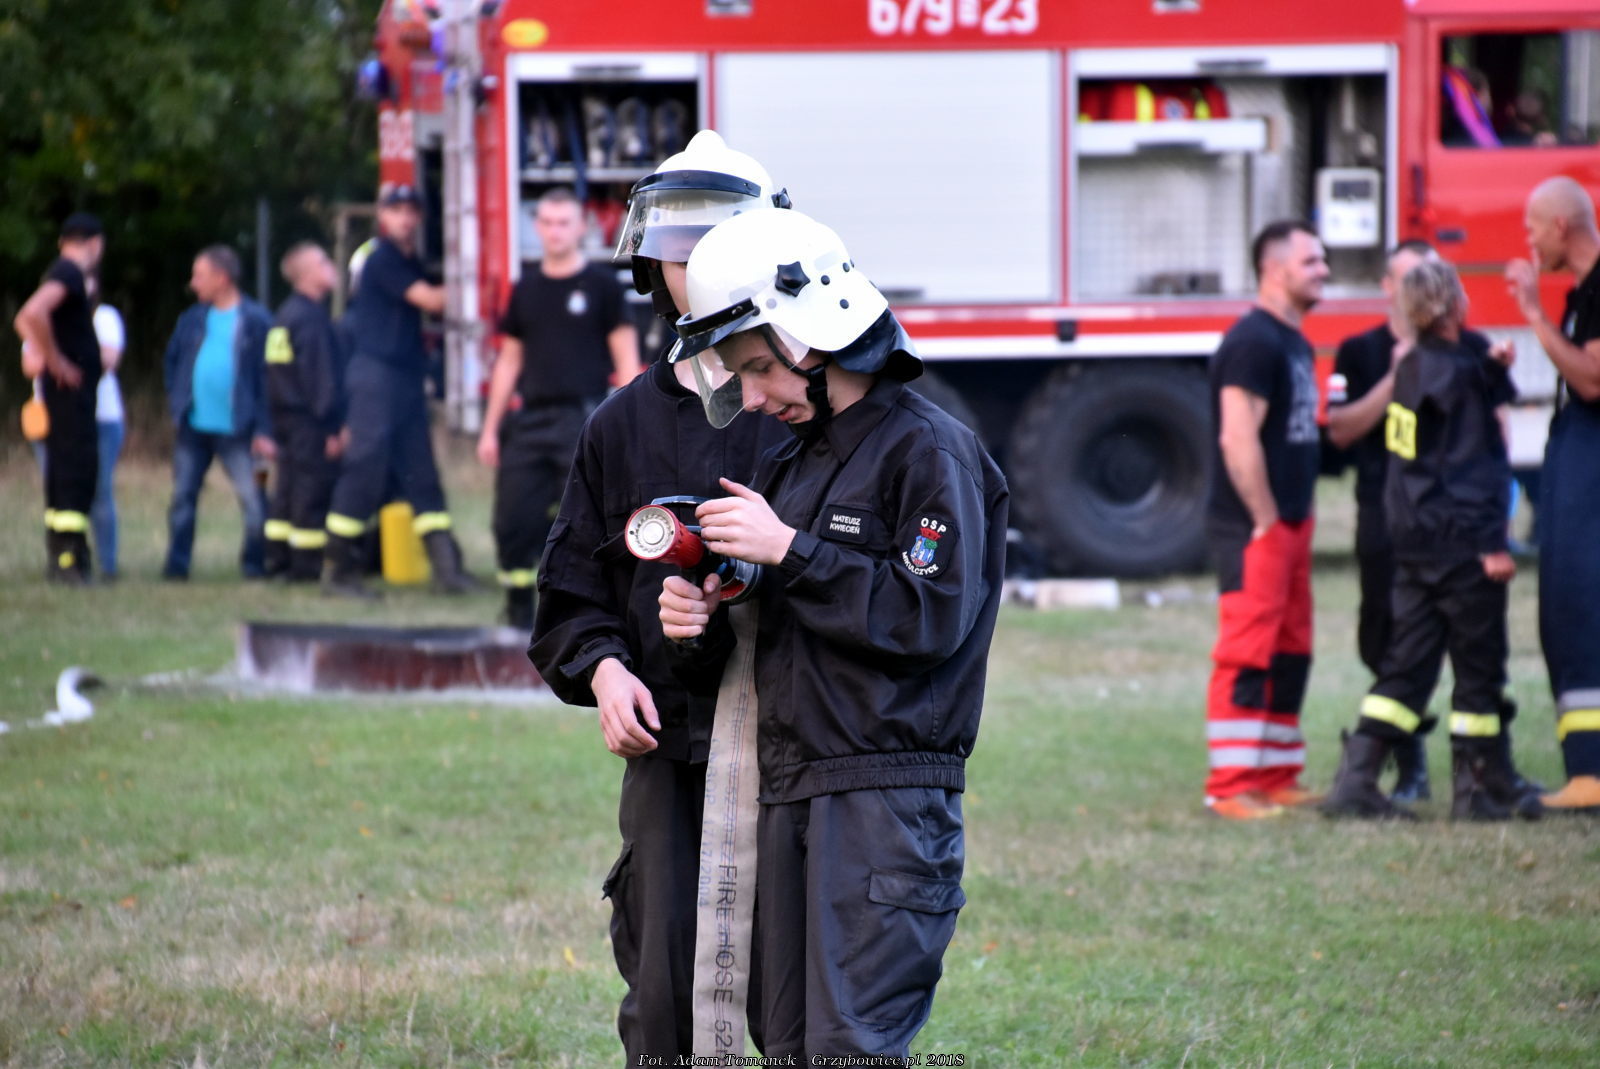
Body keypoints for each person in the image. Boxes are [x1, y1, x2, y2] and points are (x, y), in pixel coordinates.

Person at [658, 209, 1008, 1062]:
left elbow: (927, 617)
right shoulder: (790, 463)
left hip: (883, 799)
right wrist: (700, 623)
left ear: (815, 336)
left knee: (849, 1045)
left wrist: (790, 549)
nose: (752, 397)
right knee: (784, 1042)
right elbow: (767, 633)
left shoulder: (929, 452)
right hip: (789, 785)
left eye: (758, 368)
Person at [529, 130, 791, 1064]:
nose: (694, 266)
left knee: (798, 999)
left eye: (715, 244)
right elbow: (570, 592)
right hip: (668, 753)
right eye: (678, 249)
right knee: (665, 991)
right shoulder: (621, 424)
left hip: (793, 755)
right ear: (652, 268)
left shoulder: (810, 414)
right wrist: (604, 671)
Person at [1323, 260, 1539, 821]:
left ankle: (1357, 779)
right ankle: (1478, 788)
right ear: (1455, 306)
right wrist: (1492, 543)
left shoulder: (1409, 368)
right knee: (1479, 667)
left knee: (1406, 666)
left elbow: (1426, 442)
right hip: (1462, 547)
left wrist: (1491, 368)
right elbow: (1477, 468)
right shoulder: (1462, 376)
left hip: (1414, 545)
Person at [1202, 220, 1327, 820]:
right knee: (1248, 651)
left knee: (1290, 650)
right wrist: (1265, 517)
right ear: (1274, 270)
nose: (1324, 271)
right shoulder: (1253, 340)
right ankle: (1230, 786)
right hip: (1256, 527)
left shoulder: (1293, 340)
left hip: (1291, 525)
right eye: (1312, 261)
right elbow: (1237, 436)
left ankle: (1276, 774)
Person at [478, 187, 641, 631]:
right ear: (536, 228)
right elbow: (509, 361)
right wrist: (490, 429)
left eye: (564, 222)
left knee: (584, 521)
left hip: (582, 421)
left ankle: (582, 611)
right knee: (513, 518)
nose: (555, 231)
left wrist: (632, 427)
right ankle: (516, 611)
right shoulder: (526, 289)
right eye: (547, 223)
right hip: (530, 421)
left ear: (581, 227)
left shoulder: (603, 287)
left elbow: (627, 362)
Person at [323, 183, 474, 597]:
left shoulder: (410, 260)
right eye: (397, 210)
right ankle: (337, 573)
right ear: (382, 215)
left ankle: (447, 571)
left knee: (421, 472)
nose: (405, 218)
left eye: (411, 211)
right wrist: (476, 284)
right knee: (364, 469)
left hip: (405, 380)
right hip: (375, 378)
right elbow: (430, 300)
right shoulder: (383, 258)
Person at [1506, 175, 1600, 813]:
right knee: (1565, 606)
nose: (1529, 239)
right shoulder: (1584, 291)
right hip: (1575, 455)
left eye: (1533, 226)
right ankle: (1584, 768)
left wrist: (1534, 315)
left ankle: (1592, 774)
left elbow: (1592, 379)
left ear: (1561, 226)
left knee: (1580, 604)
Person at [159, 245, 275, 580]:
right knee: (183, 498)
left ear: (222, 279)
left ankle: (255, 566)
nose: (193, 283)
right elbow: (172, 362)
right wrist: (177, 401)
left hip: (242, 431)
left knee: (254, 499)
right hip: (193, 428)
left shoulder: (257, 322)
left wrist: (265, 430)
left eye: (200, 276)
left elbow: (270, 381)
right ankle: (176, 568)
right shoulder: (192, 319)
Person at [12, 212, 104, 584]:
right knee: (76, 471)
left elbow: (24, 321)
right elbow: (31, 314)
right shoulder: (69, 272)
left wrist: (47, 354)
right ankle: (69, 560)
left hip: (63, 398)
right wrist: (57, 361)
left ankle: (61, 555)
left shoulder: (58, 272)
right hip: (70, 397)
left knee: (61, 472)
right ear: (95, 243)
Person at [264, 242, 347, 583]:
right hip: (310, 423)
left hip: (285, 420)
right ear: (307, 275)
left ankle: (277, 559)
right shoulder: (311, 319)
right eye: (324, 261)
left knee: (285, 491)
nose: (331, 266)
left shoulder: (285, 315)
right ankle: (305, 566)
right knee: (309, 492)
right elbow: (320, 379)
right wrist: (332, 428)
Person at [90, 283, 126, 582]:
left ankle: (107, 566)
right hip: (55, 420)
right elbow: (31, 362)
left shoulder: (104, 317)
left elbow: (108, 361)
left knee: (101, 490)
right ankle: (68, 560)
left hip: (103, 417)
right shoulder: (45, 315)